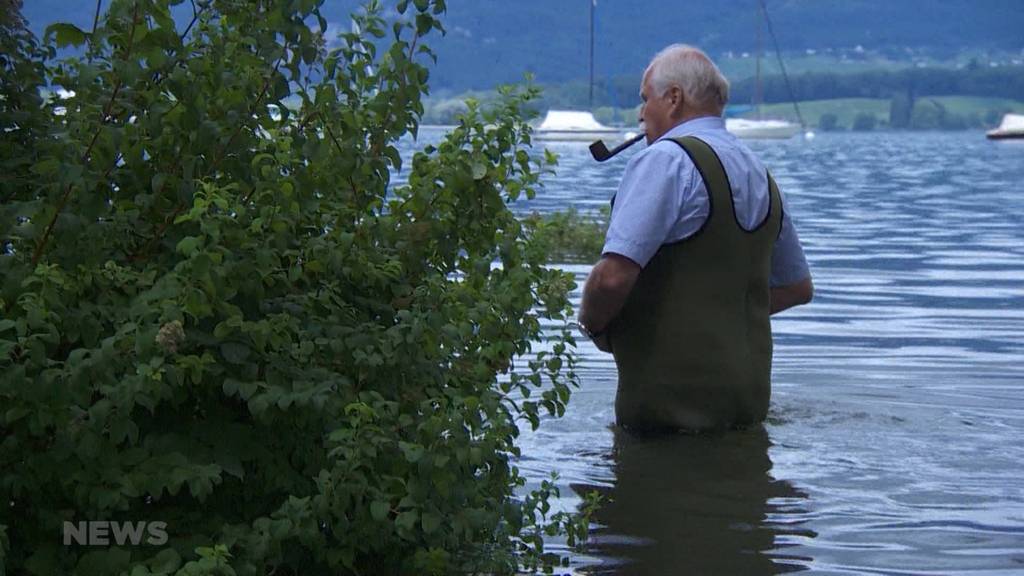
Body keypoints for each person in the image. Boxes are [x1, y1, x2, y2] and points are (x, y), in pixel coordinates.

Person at [576, 44, 813, 432]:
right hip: (747, 404)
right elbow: (797, 288)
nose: (640, 113)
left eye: (644, 99)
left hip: (668, 409)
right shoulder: (759, 172)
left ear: (674, 99)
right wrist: (720, 317)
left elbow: (612, 278)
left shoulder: (665, 160)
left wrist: (592, 325)